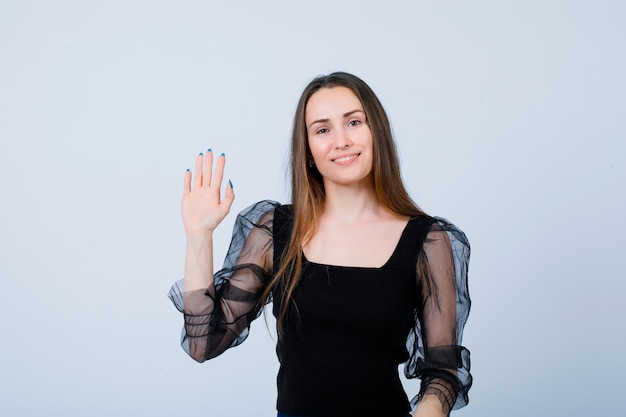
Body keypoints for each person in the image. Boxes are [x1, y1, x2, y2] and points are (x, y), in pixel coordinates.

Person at [168, 72, 472, 417]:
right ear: (309, 150)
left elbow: (442, 372)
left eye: (354, 122)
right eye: (323, 129)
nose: (341, 140)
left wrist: (428, 411)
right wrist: (198, 235)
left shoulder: (427, 242)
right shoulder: (276, 230)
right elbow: (203, 343)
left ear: (377, 134)